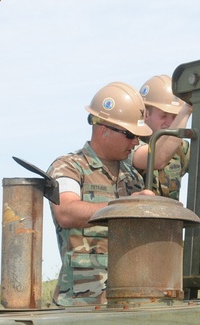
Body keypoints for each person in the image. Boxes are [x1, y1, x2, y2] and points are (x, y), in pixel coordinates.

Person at [48, 82, 154, 306]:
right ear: (104, 129)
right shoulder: (67, 167)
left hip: (131, 297)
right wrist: (124, 207)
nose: (136, 142)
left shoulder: (133, 175)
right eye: (129, 134)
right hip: (82, 302)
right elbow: (65, 212)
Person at [131, 74, 200, 199]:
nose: (170, 123)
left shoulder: (180, 149)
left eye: (175, 117)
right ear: (146, 115)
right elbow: (157, 159)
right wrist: (187, 109)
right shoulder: (129, 142)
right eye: (163, 115)